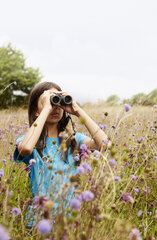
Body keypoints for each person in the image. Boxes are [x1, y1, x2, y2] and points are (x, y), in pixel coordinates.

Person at [13, 81, 110, 226]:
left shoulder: (73, 140)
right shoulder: (29, 141)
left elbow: (104, 144)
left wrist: (77, 110)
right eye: (51, 102)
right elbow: (26, 148)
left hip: (67, 222)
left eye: (58, 102)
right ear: (35, 111)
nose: (55, 107)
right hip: (38, 221)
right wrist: (46, 108)